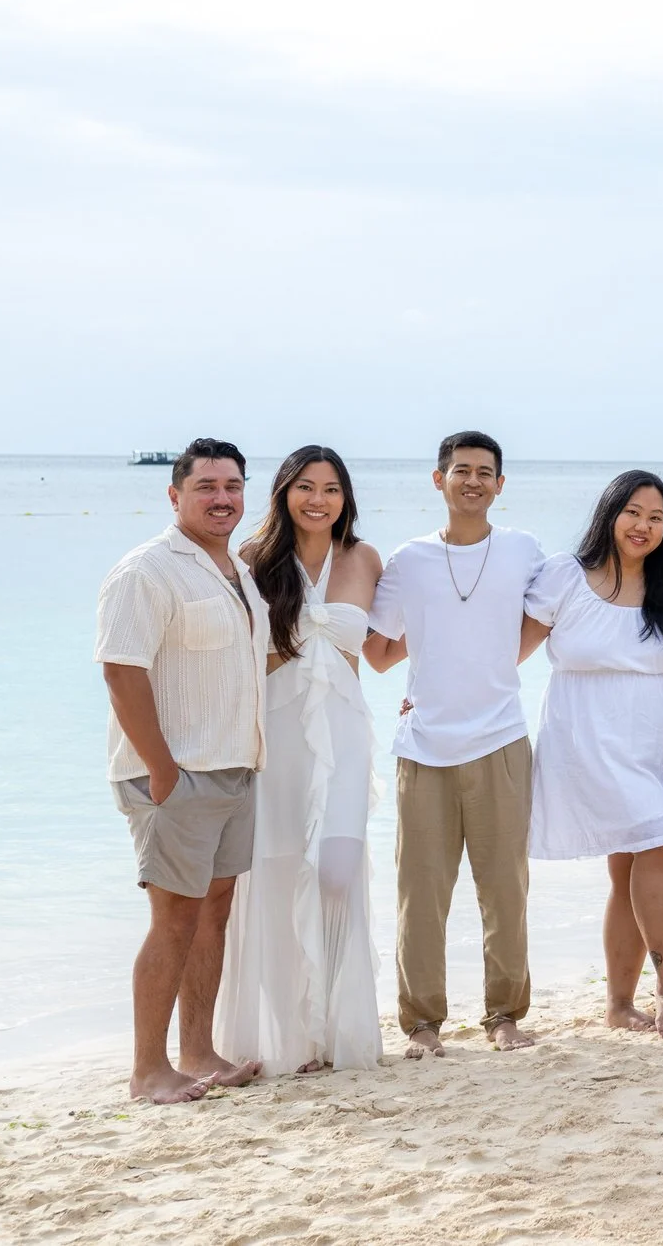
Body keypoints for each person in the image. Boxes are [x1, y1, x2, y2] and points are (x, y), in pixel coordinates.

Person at [96, 439, 270, 1103]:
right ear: (175, 495)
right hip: (174, 774)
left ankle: (199, 1051)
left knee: (214, 914)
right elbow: (120, 668)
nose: (222, 497)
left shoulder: (238, 573)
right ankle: (147, 1070)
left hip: (233, 766)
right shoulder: (146, 570)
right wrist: (161, 769)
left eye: (232, 485)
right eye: (206, 486)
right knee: (173, 917)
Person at [364, 431, 547, 1057]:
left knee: (505, 889)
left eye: (485, 472)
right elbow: (380, 652)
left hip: (500, 740)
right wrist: (438, 651)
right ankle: (421, 1025)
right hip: (423, 748)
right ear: (437, 479)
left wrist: (494, 666)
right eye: (461, 470)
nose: (473, 481)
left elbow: (547, 615)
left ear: (501, 485)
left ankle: (505, 1017)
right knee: (420, 895)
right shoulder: (409, 559)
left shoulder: (524, 550)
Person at [217, 446, 385, 1075]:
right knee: (280, 876)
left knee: (337, 874)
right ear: (284, 492)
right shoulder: (254, 562)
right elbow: (236, 661)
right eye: (306, 487)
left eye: (332, 488)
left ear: (346, 497)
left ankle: (337, 1028)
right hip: (278, 735)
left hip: (345, 734)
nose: (319, 499)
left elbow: (390, 644)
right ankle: (290, 1038)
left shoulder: (366, 559)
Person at [524, 470, 663, 1040]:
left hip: (653, 752)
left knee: (629, 871)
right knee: (658, 842)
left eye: (656, 518)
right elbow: (506, 655)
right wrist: (432, 694)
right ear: (609, 514)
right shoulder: (566, 578)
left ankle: (620, 1003)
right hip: (587, 746)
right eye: (633, 512)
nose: (643, 525)